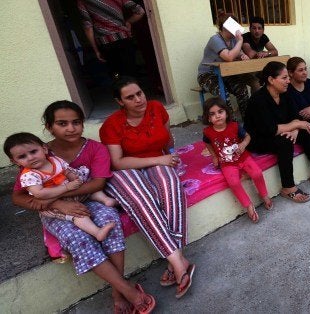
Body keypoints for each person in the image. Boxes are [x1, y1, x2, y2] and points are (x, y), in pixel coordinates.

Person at [11, 101, 155, 313]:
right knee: (79, 238)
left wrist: (58, 194)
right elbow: (18, 196)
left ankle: (117, 292)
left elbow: (97, 184)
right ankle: (127, 289)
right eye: (62, 123)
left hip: (88, 199)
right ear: (49, 127)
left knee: (111, 221)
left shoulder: (95, 149)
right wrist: (58, 203)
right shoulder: (36, 155)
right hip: (56, 212)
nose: (71, 128)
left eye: (76, 122)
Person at [100, 76, 195, 299]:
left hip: (157, 159)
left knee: (171, 188)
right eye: (130, 97)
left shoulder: (156, 108)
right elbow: (117, 162)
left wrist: (167, 158)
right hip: (126, 169)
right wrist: (159, 161)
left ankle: (176, 262)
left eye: (139, 93)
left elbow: (168, 141)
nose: (138, 99)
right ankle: (179, 263)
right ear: (119, 102)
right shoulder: (111, 125)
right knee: (141, 199)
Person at [244, 61, 310, 204]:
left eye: (287, 78)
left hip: (281, 130)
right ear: (271, 80)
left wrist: (295, 129)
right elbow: (270, 129)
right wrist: (295, 125)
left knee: (309, 130)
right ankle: (288, 187)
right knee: (285, 142)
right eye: (284, 78)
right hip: (259, 138)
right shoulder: (258, 100)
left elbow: (295, 116)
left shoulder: (284, 93)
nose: (288, 80)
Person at [4, 132, 116, 241]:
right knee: (78, 215)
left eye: (33, 151)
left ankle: (105, 200)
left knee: (90, 186)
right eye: (22, 156)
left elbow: (66, 171)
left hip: (72, 193)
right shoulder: (29, 175)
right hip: (53, 204)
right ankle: (97, 232)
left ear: (44, 149)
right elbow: (40, 193)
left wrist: (74, 178)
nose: (30, 158)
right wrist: (67, 188)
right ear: (15, 161)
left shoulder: (54, 160)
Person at [201, 97, 273, 223]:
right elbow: (207, 143)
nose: (217, 116)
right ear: (208, 118)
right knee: (233, 183)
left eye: (220, 112)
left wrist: (244, 144)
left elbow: (247, 136)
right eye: (212, 114)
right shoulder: (207, 132)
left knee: (257, 173)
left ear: (226, 113)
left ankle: (264, 195)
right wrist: (213, 156)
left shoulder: (234, 126)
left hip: (244, 158)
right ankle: (248, 206)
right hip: (227, 163)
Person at [198, 13, 258, 120]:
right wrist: (240, 41)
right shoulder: (215, 39)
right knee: (223, 92)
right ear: (226, 27)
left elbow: (238, 52)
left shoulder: (233, 39)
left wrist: (243, 55)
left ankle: (248, 119)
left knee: (242, 88)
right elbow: (229, 57)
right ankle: (231, 122)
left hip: (225, 74)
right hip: (207, 75)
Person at [78, 0, 145, 78]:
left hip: (106, 43)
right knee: (131, 72)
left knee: (116, 75)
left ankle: (119, 85)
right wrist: (128, 22)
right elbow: (140, 11)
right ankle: (133, 87)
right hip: (123, 38)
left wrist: (96, 50)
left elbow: (88, 27)